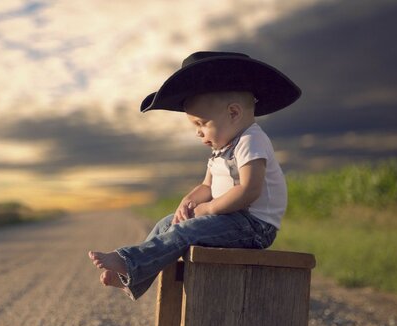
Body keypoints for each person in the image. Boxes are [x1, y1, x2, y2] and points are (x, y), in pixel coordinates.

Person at [88, 51, 301, 301]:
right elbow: (207, 185)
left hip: (253, 226)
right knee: (167, 224)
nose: (198, 133)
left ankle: (128, 260)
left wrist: (209, 209)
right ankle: (131, 277)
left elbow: (249, 190)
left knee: (185, 232)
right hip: (230, 220)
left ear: (233, 113)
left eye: (201, 124)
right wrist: (188, 201)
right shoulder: (221, 150)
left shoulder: (251, 140)